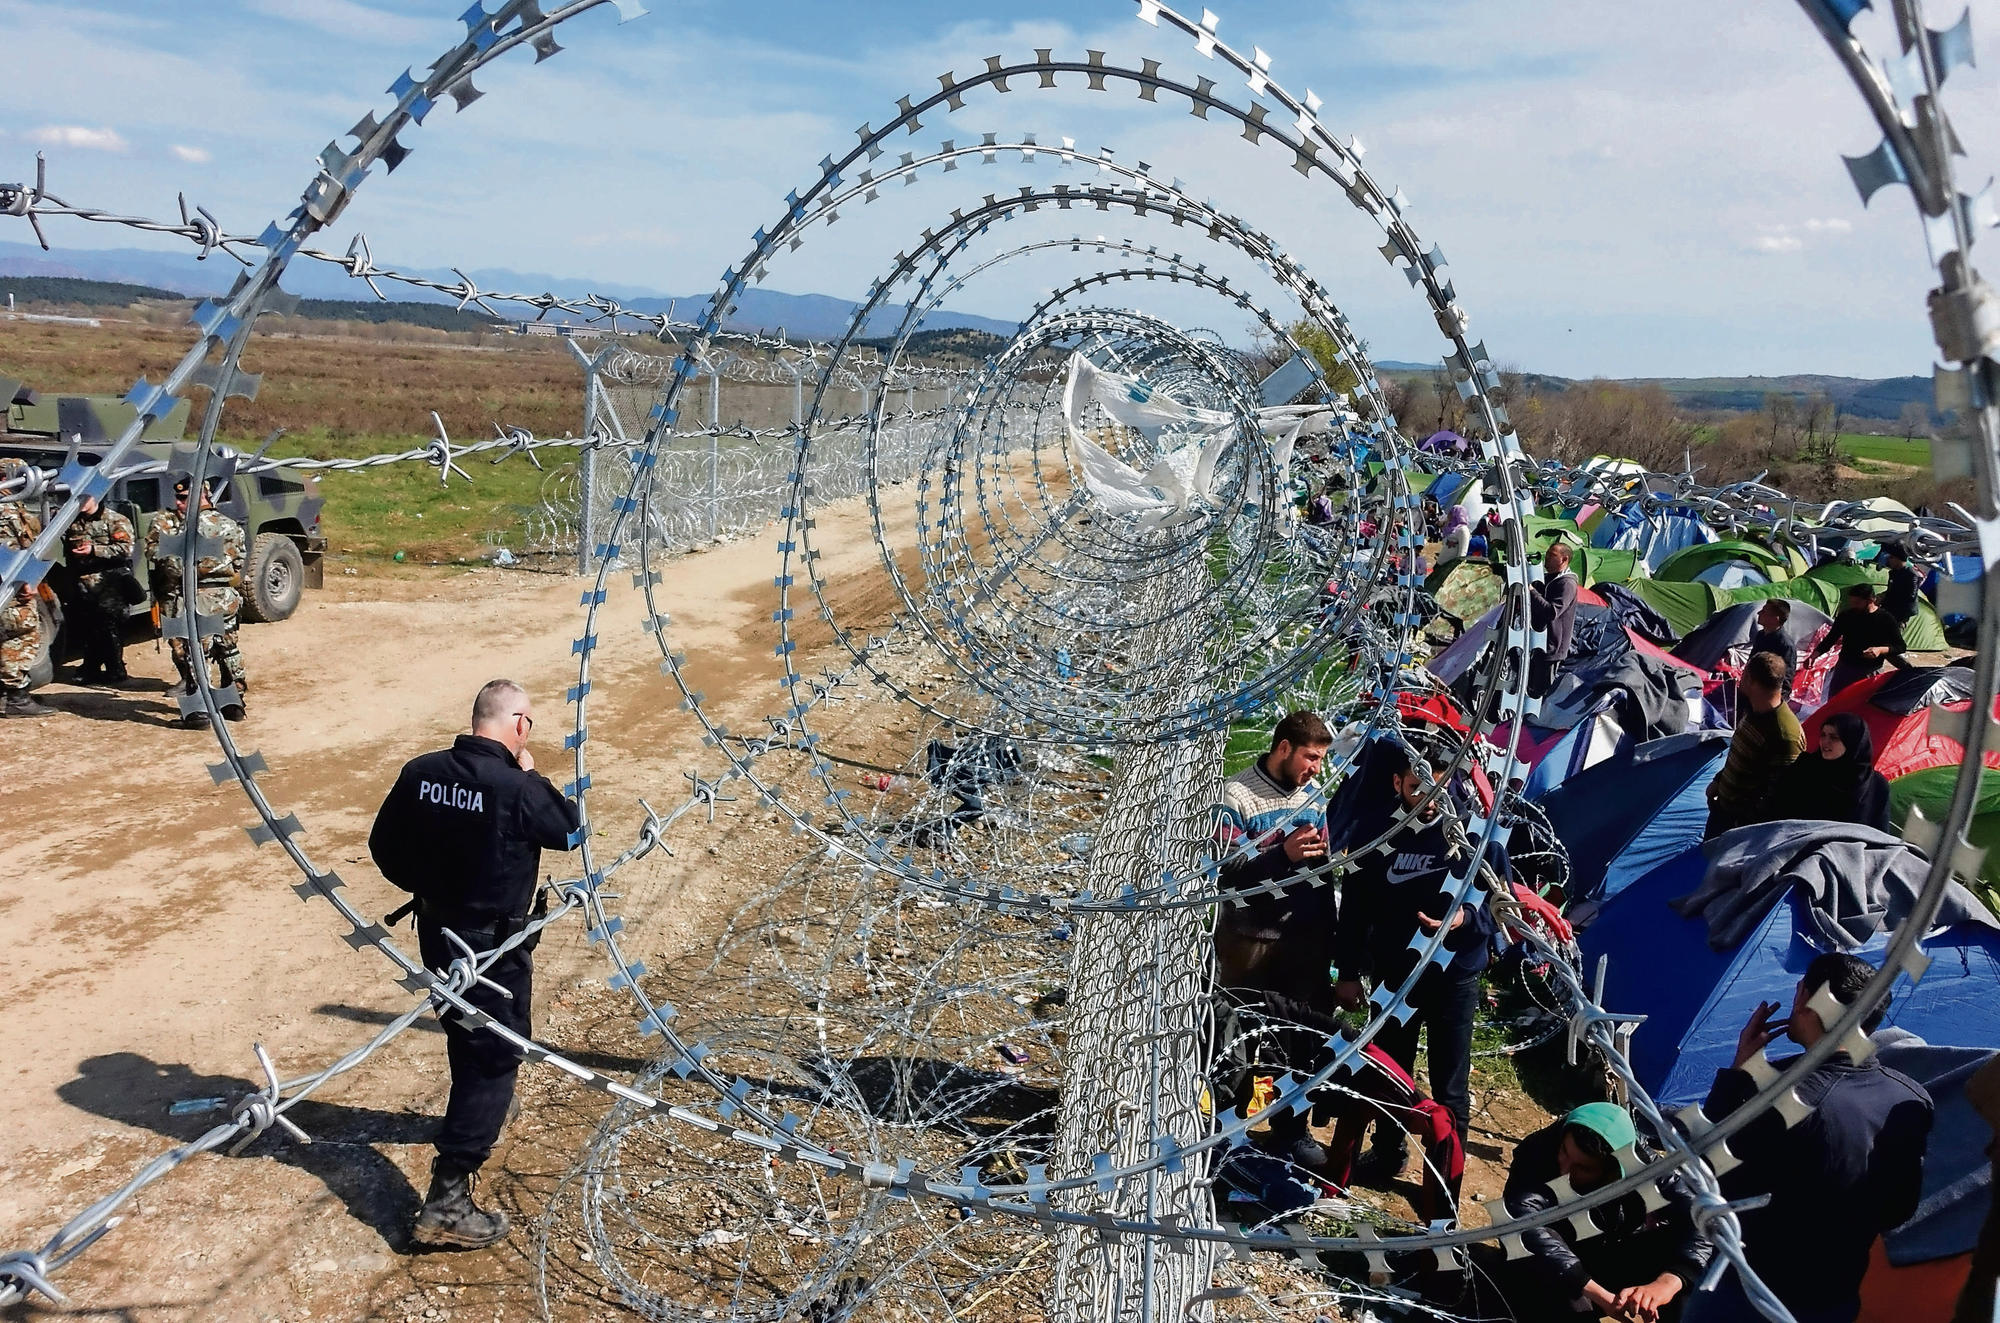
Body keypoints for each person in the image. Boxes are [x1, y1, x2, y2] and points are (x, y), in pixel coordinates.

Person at [369, 679, 582, 1249]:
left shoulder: (422, 771)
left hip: (439, 934)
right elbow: (571, 828)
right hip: (492, 947)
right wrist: (531, 773)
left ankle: (482, 1110)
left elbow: (383, 846)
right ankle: (448, 1196)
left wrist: (429, 888)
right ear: (518, 725)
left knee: (465, 1030)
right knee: (496, 1053)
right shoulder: (516, 787)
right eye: (528, 723)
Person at [1682, 953, 1934, 1323]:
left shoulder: (1781, 1095)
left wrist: (1739, 1074)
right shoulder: (1912, 1099)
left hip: (1745, 1294)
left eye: (1800, 992)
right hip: (1836, 1299)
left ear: (1811, 1007)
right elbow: (1899, 1209)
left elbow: (1704, 1177)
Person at [1332, 744, 1496, 1168]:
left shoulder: (1476, 834)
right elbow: (1353, 908)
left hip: (1454, 975)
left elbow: (1503, 908)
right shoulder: (1374, 832)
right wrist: (1348, 971)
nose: (1427, 801)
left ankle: (1445, 1187)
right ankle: (1389, 1152)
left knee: (1450, 1088)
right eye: (1416, 788)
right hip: (1394, 973)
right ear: (1397, 783)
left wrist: (1465, 920)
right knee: (1390, 1071)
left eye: (1439, 792)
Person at [1212, 710, 1336, 1169]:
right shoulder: (1236, 795)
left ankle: (1291, 1130)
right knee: (1237, 1039)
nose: (1316, 768)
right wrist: (1279, 855)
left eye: (1321, 759)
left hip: (1300, 942)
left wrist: (1329, 944)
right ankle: (1226, 1130)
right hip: (1248, 943)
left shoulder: (1314, 796)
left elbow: (1322, 874)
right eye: (1310, 757)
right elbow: (1227, 870)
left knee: (1297, 1040)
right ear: (1283, 747)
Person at [1500, 1102, 1714, 1322]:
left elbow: (1702, 1216)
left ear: (1613, 1169)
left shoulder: (1638, 1163)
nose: (1564, 1170)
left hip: (1607, 1254)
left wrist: (1668, 1283)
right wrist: (1599, 1295)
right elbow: (1526, 1222)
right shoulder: (1538, 1154)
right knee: (1574, 1306)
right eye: (1564, 1152)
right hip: (1550, 1267)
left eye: (1583, 1168)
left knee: (1689, 1262)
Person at [144, 478, 249, 727]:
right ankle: (234, 704)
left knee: (196, 655)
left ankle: (198, 712)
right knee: (229, 649)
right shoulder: (231, 525)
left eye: (183, 498)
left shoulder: (186, 530)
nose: (179, 504)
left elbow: (173, 566)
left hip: (197, 597)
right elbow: (239, 561)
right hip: (226, 597)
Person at [1703, 651, 1804, 839]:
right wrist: (1719, 781)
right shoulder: (1754, 710)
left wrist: (1740, 825)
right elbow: (1740, 754)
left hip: (1739, 827)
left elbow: (1779, 793)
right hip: (1722, 809)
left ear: (1750, 679)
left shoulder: (1786, 735)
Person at [1767, 712, 1891, 832]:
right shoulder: (1806, 767)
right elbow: (1776, 810)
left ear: (1852, 742)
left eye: (1834, 737)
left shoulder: (1876, 785)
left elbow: (1879, 833)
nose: (1825, 742)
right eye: (1823, 735)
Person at [64, 494, 138, 686]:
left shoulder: (114, 520)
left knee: (109, 627)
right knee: (89, 628)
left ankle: (115, 669)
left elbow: (125, 549)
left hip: (109, 583)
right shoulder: (71, 522)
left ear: (94, 497)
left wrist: (94, 550)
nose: (78, 502)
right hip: (83, 584)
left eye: (83, 498)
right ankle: (91, 668)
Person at [0, 458, 53, 717]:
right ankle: (17, 698)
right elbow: (22, 550)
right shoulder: (7, 511)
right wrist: (27, 583)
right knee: (20, 637)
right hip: (11, 587)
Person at [1809, 583, 1905, 696]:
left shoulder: (1885, 619)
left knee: (1860, 706)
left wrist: (1880, 650)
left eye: (1857, 603)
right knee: (1835, 702)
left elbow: (1900, 646)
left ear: (1871, 600)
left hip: (1869, 671)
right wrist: (1814, 655)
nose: (1853, 606)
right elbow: (1831, 638)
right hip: (1844, 667)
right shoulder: (1846, 616)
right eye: (1852, 602)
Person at [1528, 542, 1579, 697]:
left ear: (1564, 560)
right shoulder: (1549, 578)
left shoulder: (1567, 584)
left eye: (1552, 555)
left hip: (1552, 649)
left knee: (1539, 694)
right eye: (1548, 554)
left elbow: (1552, 612)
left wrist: (1531, 591)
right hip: (1538, 643)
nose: (1547, 558)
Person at [1745, 598, 1795, 685]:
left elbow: (1786, 678)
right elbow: (1751, 662)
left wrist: (1778, 697)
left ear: (1775, 619)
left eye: (1764, 611)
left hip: (1768, 694)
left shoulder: (1785, 644)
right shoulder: (1761, 635)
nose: (1758, 613)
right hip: (1753, 689)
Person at [1881, 543, 1919, 627]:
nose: (1888, 560)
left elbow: (1910, 596)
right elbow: (1891, 590)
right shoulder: (1893, 573)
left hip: (1900, 615)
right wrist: (1882, 596)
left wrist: (1887, 598)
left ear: (1898, 559)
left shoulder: (1911, 575)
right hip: (1889, 611)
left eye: (1891, 557)